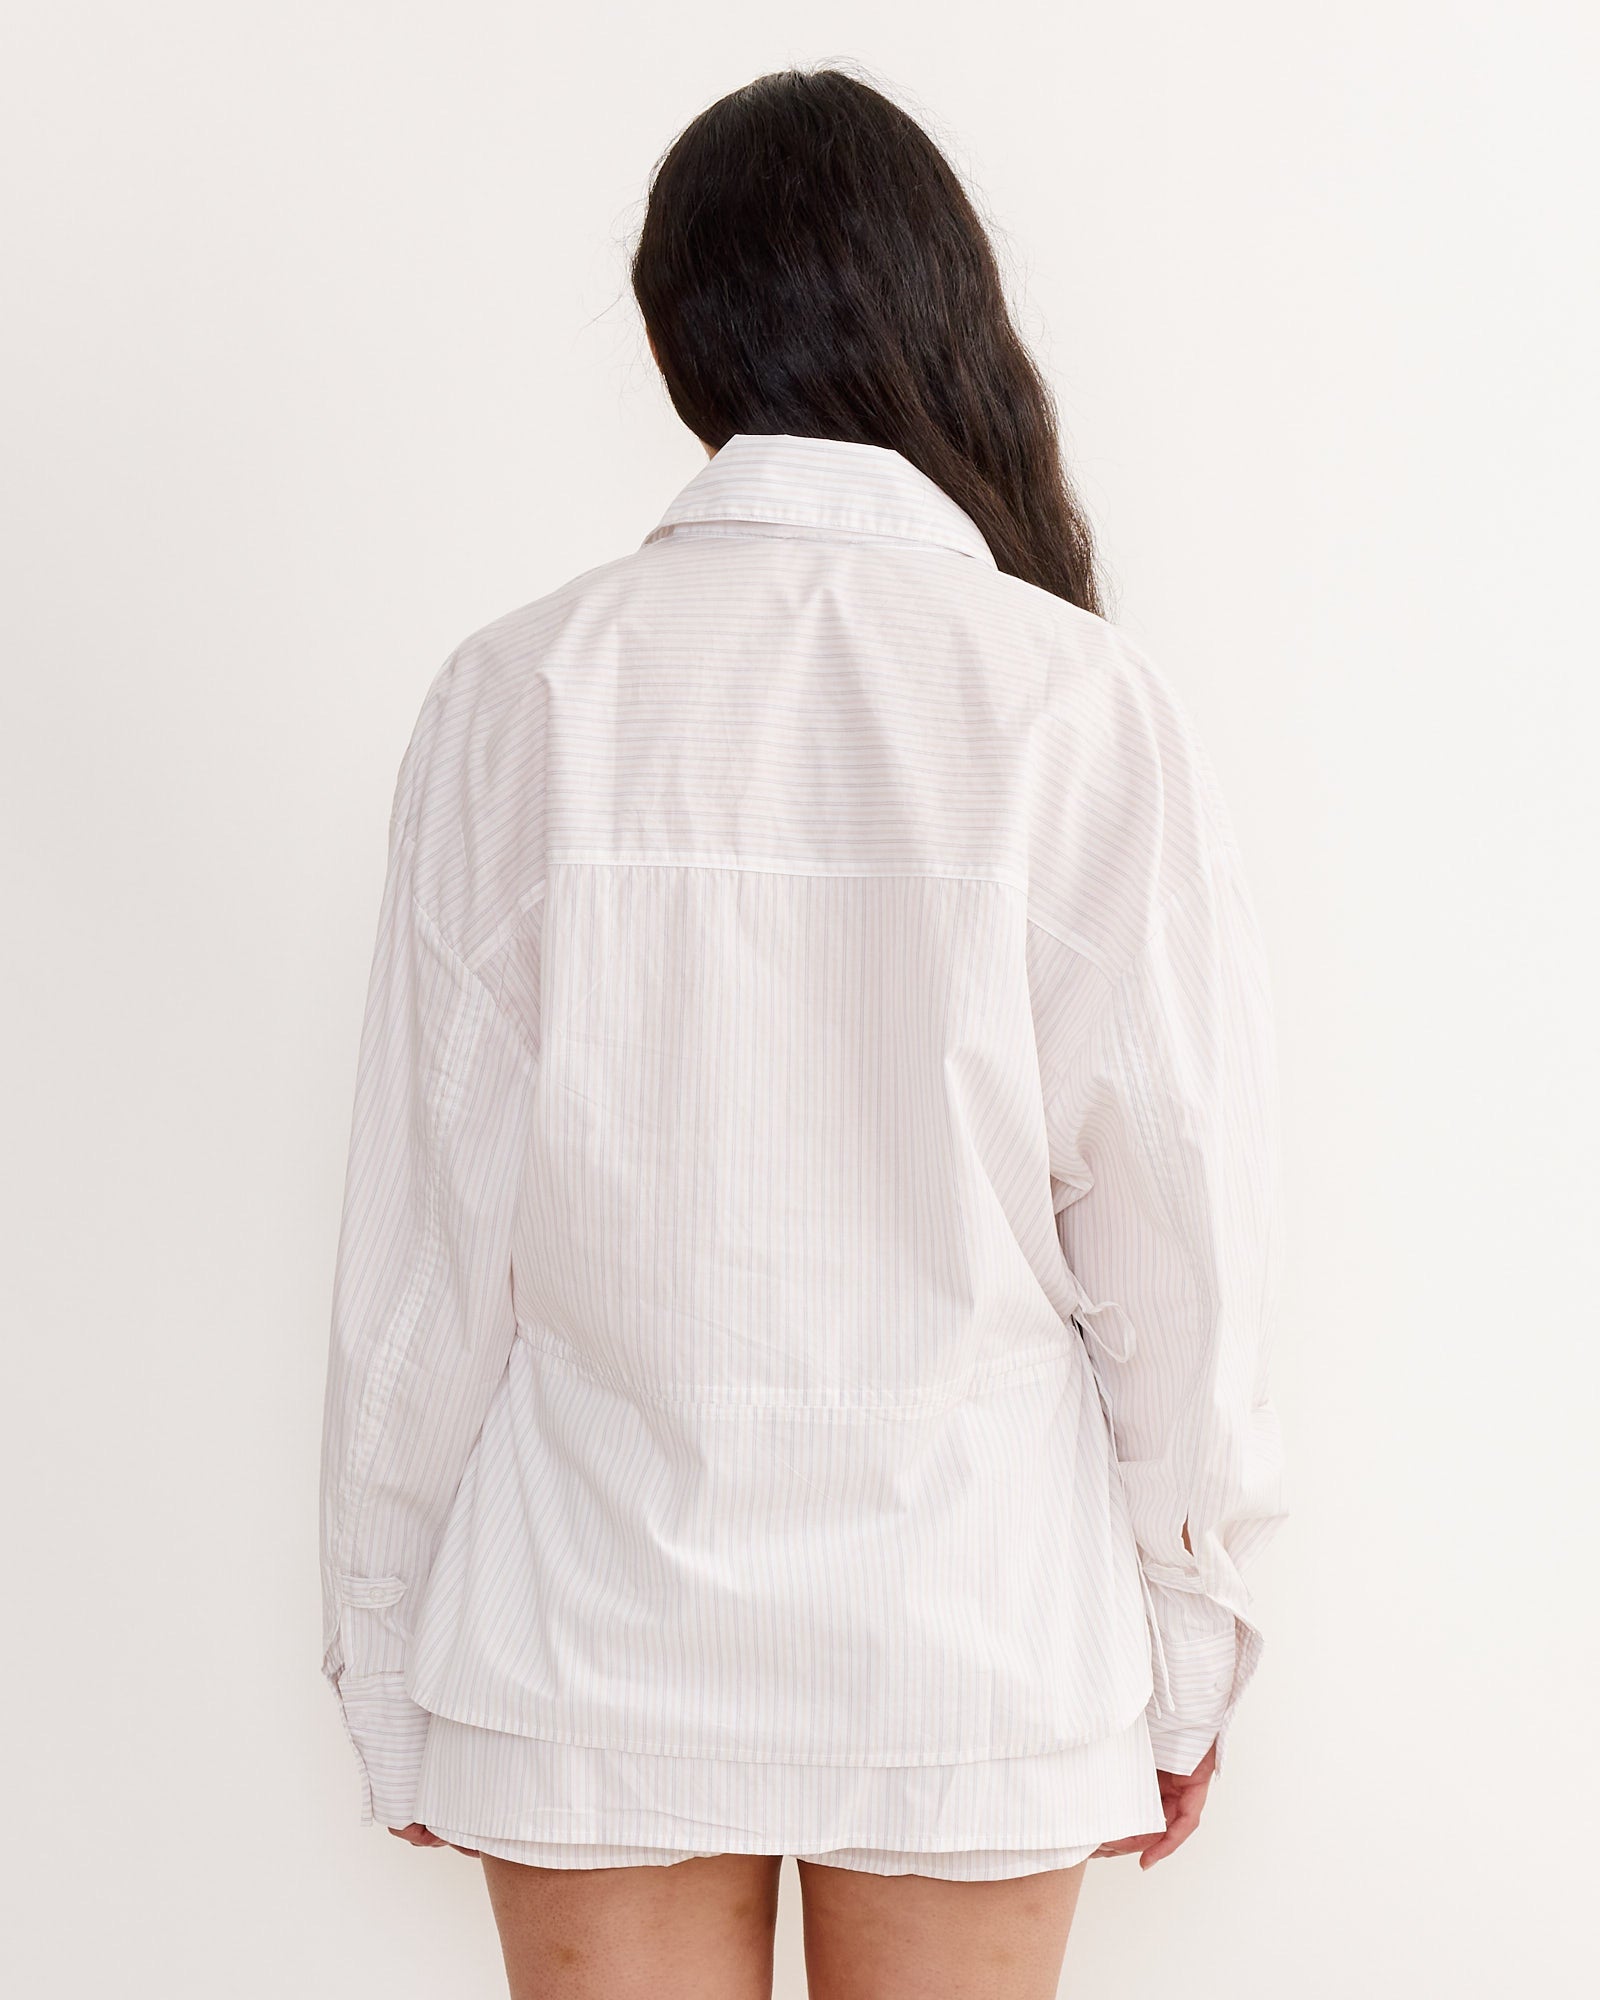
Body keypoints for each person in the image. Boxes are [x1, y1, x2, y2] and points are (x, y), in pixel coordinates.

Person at [317, 65, 1287, 2000]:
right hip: (976, 1639)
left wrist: (387, 1642)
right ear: (940, 308)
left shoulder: (521, 693)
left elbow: (427, 1243)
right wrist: (1190, 1638)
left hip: (589, 1625)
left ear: (683, 336)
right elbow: (1176, 1241)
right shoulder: (1075, 699)